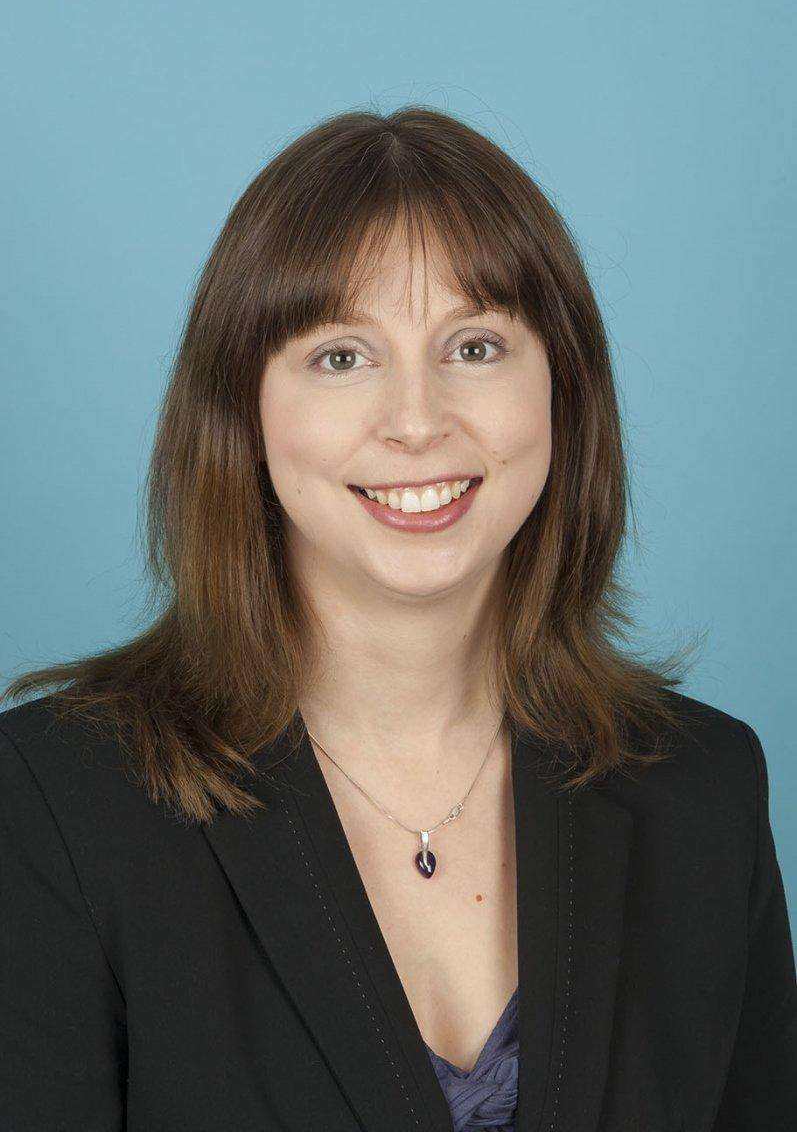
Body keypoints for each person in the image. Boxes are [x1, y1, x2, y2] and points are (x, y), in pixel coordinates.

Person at [1, 107, 794, 1132]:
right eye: (341, 356)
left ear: (563, 390)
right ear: (242, 411)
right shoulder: (50, 803)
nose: (417, 421)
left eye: (474, 345)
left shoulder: (704, 786)